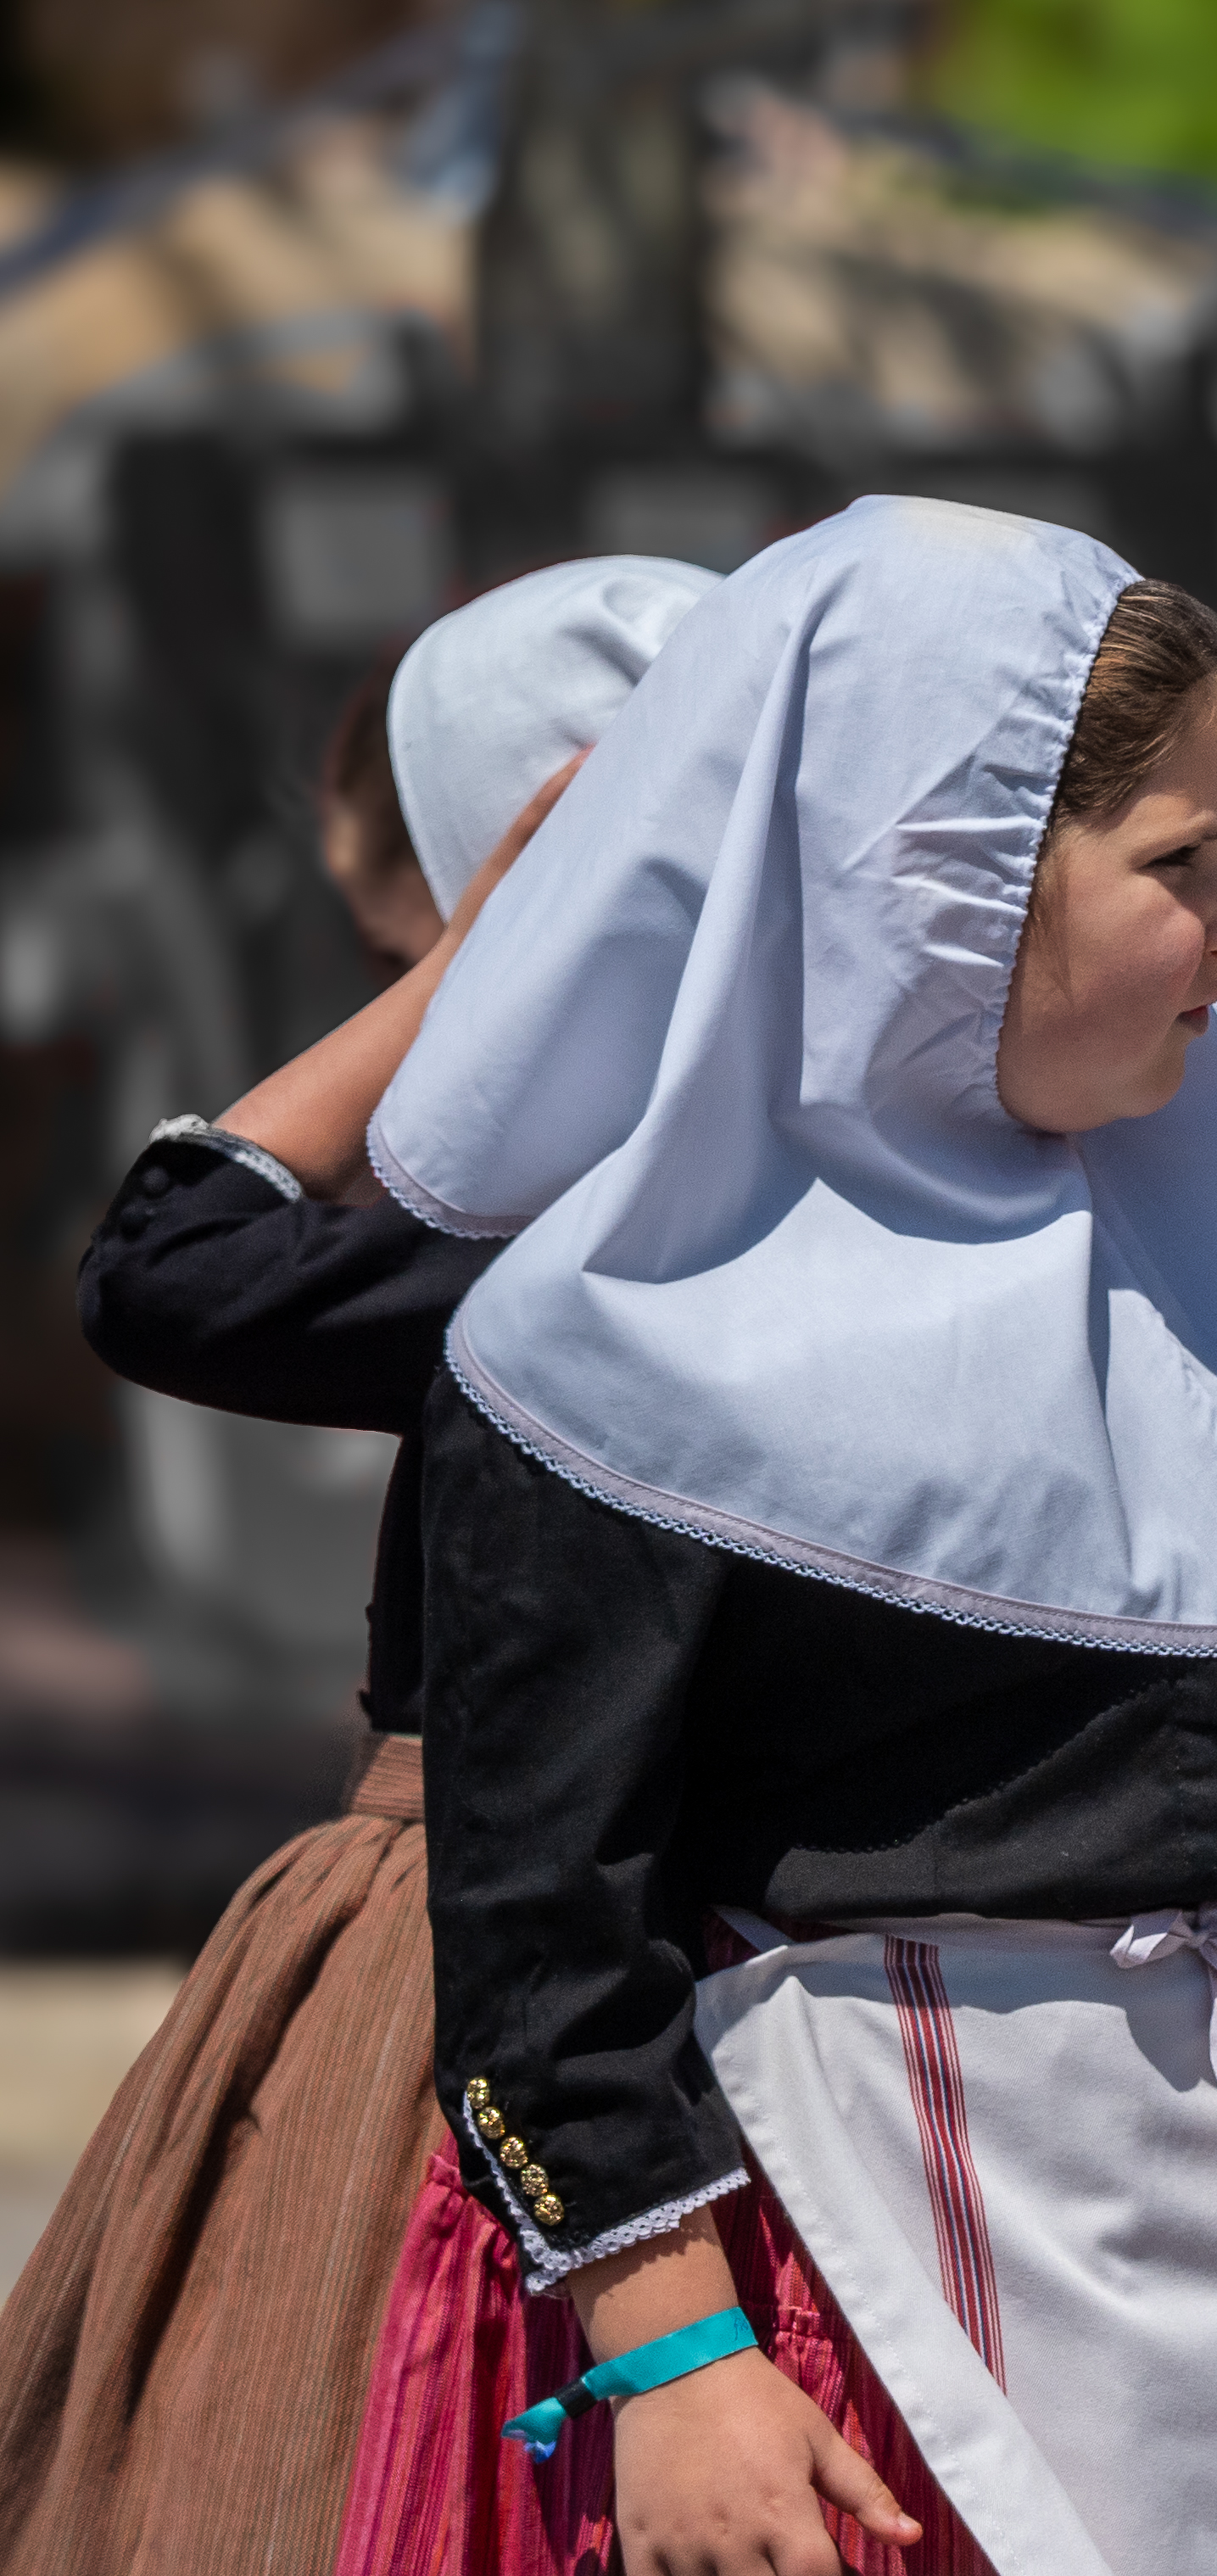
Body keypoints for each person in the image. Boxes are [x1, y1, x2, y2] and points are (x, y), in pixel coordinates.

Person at [333, 496, 1217, 2576]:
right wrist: (671, 2361)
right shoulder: (618, 1344)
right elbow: (543, 1914)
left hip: (1206, 2221)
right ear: (935, 893)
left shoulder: (1199, 1245)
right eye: (1179, 863)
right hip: (840, 2241)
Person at [0, 556, 717, 2576]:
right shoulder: (904, 1177)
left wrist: (473, 974)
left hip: (489, 1979)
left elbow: (167, 1259)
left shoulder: (566, 1246)